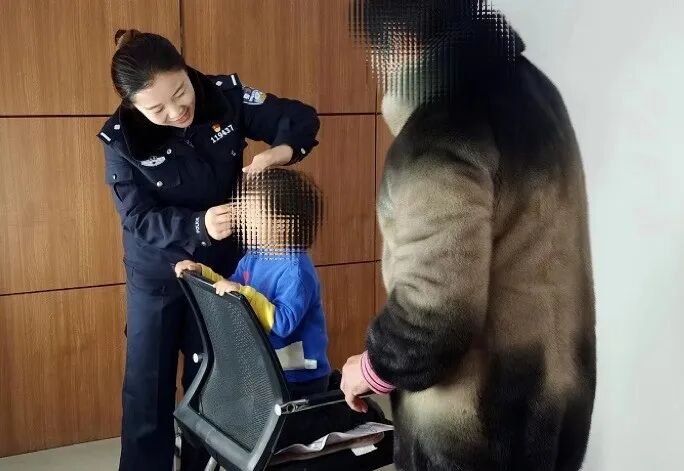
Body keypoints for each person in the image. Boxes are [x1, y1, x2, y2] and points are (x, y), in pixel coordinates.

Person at [341, 1, 596, 470]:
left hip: (475, 431)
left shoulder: (440, 133)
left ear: (401, 43)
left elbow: (432, 320)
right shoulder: (535, 91)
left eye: (377, 56)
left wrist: (371, 369)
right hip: (551, 405)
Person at [98, 29, 320, 471]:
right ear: (133, 106)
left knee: (216, 376)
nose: (177, 111)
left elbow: (300, 118)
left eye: (180, 92)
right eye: (157, 109)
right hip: (158, 272)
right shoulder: (121, 141)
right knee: (148, 385)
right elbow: (137, 217)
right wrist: (198, 225)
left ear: (185, 69)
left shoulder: (224, 96)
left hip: (223, 269)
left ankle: (204, 465)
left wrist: (277, 153)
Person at [174, 168, 331, 398]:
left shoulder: (296, 270)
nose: (244, 221)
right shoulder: (255, 256)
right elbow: (231, 289)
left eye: (253, 214)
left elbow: (283, 323)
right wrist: (202, 272)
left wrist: (243, 294)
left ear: (284, 223)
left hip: (297, 378)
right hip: (267, 370)